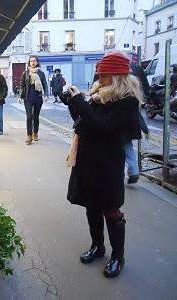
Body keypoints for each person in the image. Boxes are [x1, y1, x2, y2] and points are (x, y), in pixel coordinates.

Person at [65, 52, 142, 278]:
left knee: (111, 208)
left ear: (117, 77)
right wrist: (73, 104)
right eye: (99, 75)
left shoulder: (127, 102)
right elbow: (83, 122)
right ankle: (98, 247)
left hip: (107, 163)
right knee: (92, 205)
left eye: (104, 76)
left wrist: (80, 101)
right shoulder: (100, 96)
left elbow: (103, 127)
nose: (99, 79)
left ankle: (118, 257)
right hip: (88, 159)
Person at [19, 55, 49, 144]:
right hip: (28, 98)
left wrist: (46, 95)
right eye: (31, 61)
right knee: (29, 116)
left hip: (38, 98)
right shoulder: (26, 73)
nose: (33, 62)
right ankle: (29, 135)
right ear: (29, 62)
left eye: (34, 61)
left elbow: (45, 85)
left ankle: (35, 132)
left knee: (36, 117)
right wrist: (20, 96)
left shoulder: (41, 73)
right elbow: (22, 86)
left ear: (37, 62)